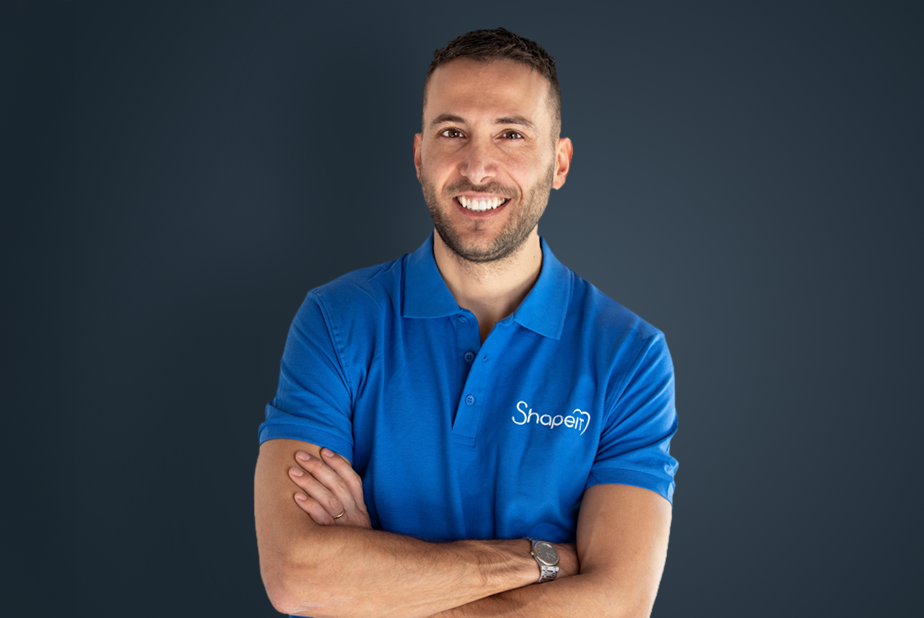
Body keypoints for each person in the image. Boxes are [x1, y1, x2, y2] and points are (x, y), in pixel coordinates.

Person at [254, 27, 678, 618]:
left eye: (511, 134)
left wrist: (371, 585)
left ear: (559, 162)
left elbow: (619, 604)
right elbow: (297, 575)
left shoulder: (629, 356)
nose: (478, 168)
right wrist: (540, 560)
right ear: (419, 155)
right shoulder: (335, 320)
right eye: (453, 133)